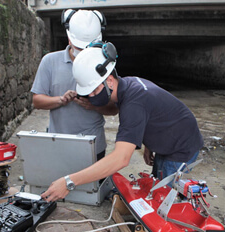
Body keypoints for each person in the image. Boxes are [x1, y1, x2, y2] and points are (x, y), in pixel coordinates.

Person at [41, 41, 204, 202]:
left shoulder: (134, 103)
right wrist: (149, 144)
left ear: (109, 81)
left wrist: (69, 182)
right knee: (156, 184)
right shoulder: (126, 86)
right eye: (88, 93)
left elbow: (121, 158)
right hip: (169, 138)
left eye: (94, 90)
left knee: (165, 197)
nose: (91, 96)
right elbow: (154, 114)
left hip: (181, 147)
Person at [31, 9, 118, 161]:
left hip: (93, 146)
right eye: (79, 48)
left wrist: (94, 106)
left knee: (92, 184)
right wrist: (60, 100)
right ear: (69, 39)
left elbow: (114, 108)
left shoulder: (104, 65)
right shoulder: (49, 62)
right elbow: (37, 101)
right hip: (59, 144)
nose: (83, 53)